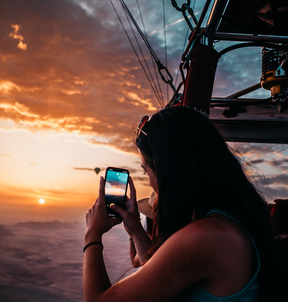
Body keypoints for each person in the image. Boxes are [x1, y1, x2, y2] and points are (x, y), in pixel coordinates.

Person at [83, 107, 288, 302]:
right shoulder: (228, 218)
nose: (151, 185)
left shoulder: (206, 237)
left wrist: (92, 234)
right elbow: (161, 272)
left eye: (147, 172)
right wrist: (135, 228)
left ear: (169, 172)